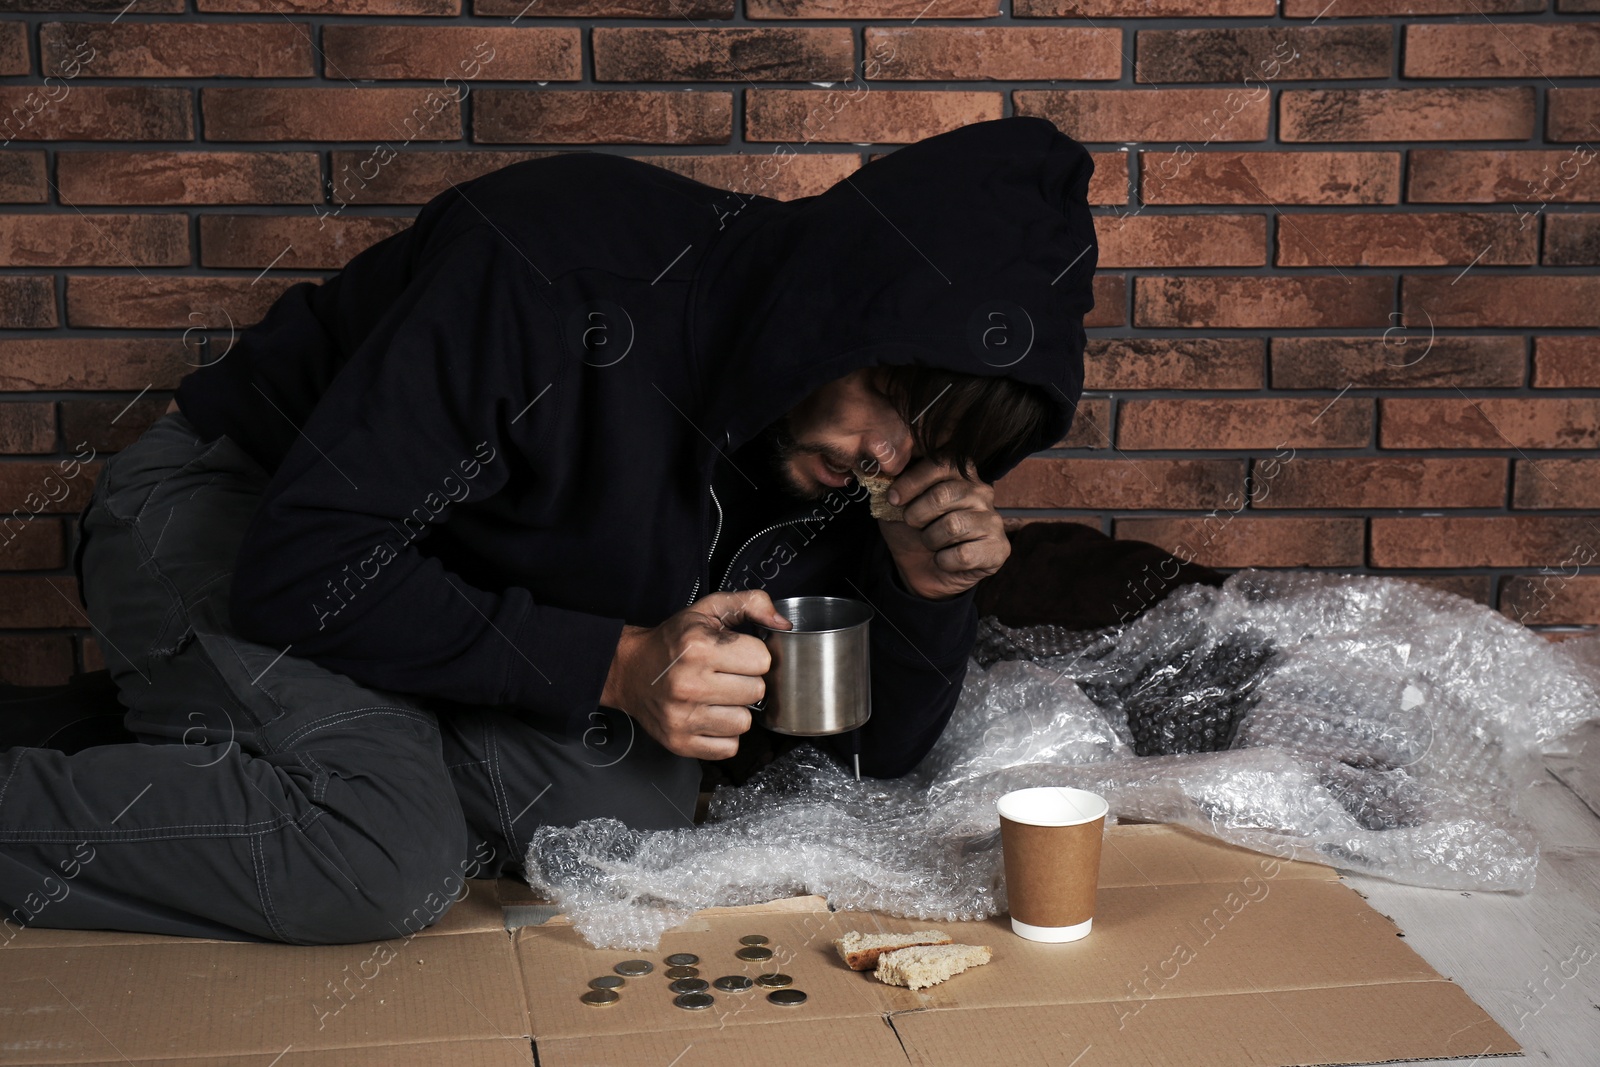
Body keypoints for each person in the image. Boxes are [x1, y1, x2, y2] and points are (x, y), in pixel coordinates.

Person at [0, 115, 1097, 946]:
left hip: (437, 586)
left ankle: (213, 740)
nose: (888, 459)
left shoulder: (830, 453)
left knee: (622, 822)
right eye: (897, 406)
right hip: (234, 513)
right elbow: (308, 568)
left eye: (941, 444)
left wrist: (921, 593)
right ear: (840, 311)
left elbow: (857, 757)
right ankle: (257, 761)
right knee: (384, 855)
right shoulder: (554, 262)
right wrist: (619, 662)